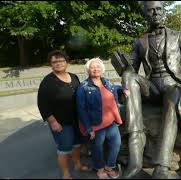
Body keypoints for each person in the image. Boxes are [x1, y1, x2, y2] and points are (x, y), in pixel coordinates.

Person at [120, 1, 181, 179]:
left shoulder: (179, 36)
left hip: (174, 84)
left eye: (158, 9)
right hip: (153, 87)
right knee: (128, 77)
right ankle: (135, 160)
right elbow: (131, 69)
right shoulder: (140, 41)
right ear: (145, 14)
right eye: (150, 11)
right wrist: (124, 67)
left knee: (172, 102)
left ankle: (162, 166)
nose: (155, 13)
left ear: (164, 11)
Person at [37, 50, 90, 179]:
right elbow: (42, 104)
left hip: (76, 120)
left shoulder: (73, 76)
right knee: (64, 148)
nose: (58, 64)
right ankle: (66, 174)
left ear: (67, 62)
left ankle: (77, 164)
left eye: (61, 61)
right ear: (51, 64)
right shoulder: (48, 82)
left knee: (77, 144)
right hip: (61, 122)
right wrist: (53, 122)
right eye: (54, 62)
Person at [76, 58, 130, 179]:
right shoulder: (83, 87)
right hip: (96, 124)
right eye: (92, 67)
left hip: (110, 122)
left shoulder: (106, 82)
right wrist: (89, 128)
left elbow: (115, 88)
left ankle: (109, 167)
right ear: (88, 70)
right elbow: (81, 110)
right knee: (97, 148)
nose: (96, 69)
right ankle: (100, 169)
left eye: (98, 67)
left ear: (102, 69)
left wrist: (123, 89)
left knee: (116, 144)